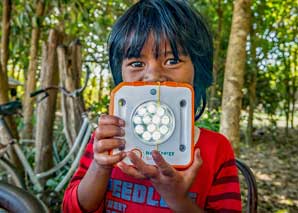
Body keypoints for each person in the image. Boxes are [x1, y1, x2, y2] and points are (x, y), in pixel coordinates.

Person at [63, 0, 241, 212]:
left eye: (172, 60)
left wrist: (178, 200)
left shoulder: (216, 150)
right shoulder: (108, 141)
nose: (154, 76)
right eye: (137, 64)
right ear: (121, 77)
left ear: (198, 69)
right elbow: (70, 208)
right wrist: (101, 166)